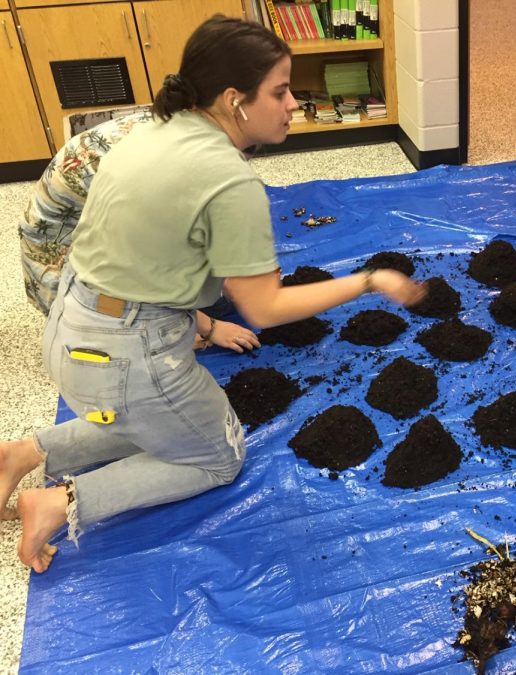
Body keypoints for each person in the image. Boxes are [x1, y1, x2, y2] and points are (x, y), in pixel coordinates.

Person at [1, 15, 425, 573]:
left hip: (70, 324)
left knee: (148, 423)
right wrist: (369, 280)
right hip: (126, 359)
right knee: (217, 454)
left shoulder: (151, 129)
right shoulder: (230, 180)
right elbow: (266, 307)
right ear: (235, 100)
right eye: (280, 91)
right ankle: (58, 501)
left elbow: (149, 262)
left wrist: (203, 326)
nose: (294, 103)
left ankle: (23, 452)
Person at [20, 110, 258, 353]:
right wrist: (209, 327)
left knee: (212, 296)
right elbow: (145, 270)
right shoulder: (157, 181)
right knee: (158, 336)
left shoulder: (190, 130)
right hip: (64, 259)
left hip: (95, 226)